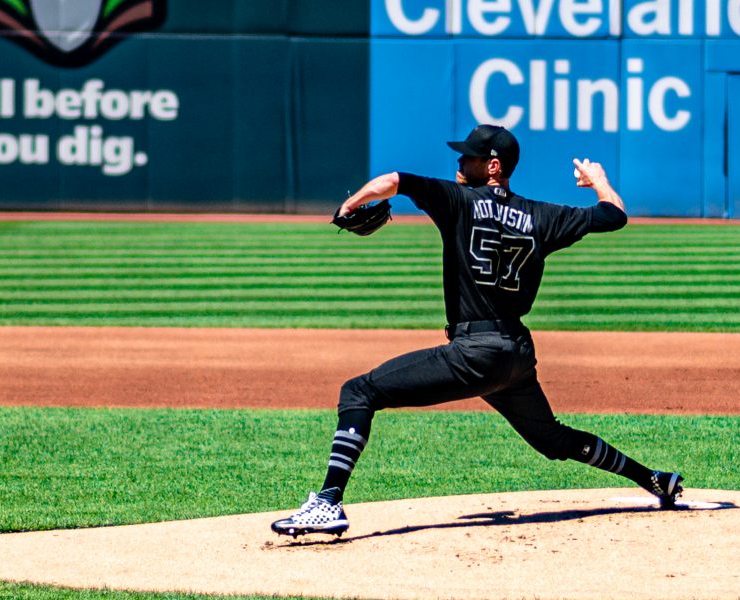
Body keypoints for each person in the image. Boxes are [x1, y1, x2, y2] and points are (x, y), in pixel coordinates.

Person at [271, 124, 683, 538]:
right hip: (516, 356)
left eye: (468, 156)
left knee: (359, 392)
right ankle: (653, 479)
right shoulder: (543, 215)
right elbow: (614, 215)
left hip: (475, 353)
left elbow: (393, 181)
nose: (458, 162)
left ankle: (326, 503)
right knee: (553, 439)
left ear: (493, 166)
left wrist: (348, 207)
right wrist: (600, 182)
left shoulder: (458, 201)